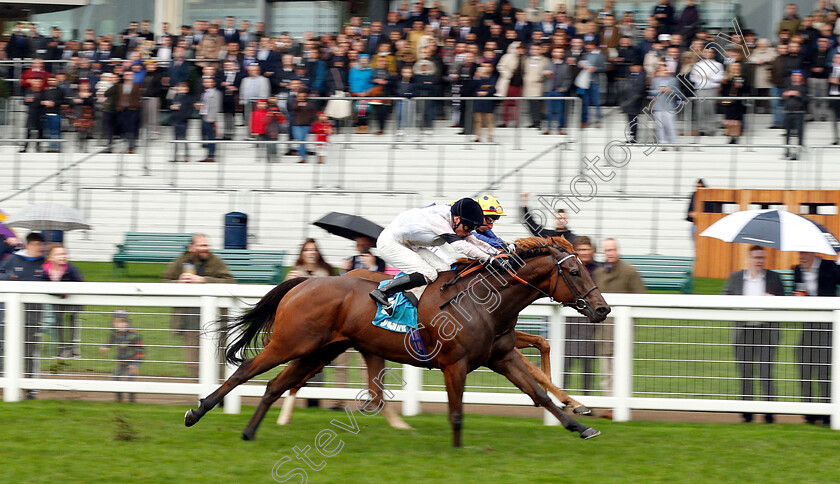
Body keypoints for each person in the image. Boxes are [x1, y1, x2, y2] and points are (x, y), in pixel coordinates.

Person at [370, 198, 505, 315]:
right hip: (390, 242)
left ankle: (419, 300)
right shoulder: (439, 220)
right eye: (467, 228)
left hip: (410, 243)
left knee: (444, 269)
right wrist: (489, 259)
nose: (468, 232)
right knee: (429, 273)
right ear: (457, 219)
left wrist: (497, 253)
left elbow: (472, 240)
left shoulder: (456, 220)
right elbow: (461, 246)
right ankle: (383, 292)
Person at [722, 245, 785, 424]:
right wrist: (737, 304)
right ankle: (747, 412)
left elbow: (785, 302)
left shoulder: (774, 278)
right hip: (743, 331)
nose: (759, 261)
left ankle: (769, 412)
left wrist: (773, 300)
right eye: (756, 257)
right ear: (749, 259)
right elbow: (723, 297)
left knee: (766, 371)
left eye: (762, 258)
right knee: (745, 372)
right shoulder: (736, 277)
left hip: (766, 330)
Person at [162, 234, 234, 378]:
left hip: (216, 322)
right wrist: (178, 282)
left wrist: (203, 280)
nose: (206, 248)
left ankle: (218, 395)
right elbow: (164, 281)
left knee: (218, 361)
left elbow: (230, 281)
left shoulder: (216, 262)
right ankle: (203, 396)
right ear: (191, 248)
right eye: (201, 245)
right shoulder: (181, 261)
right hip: (190, 321)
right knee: (193, 363)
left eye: (207, 245)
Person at [593, 238, 646, 402]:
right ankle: (610, 403)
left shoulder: (630, 272)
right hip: (603, 331)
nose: (610, 253)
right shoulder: (598, 274)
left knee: (620, 371)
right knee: (605, 372)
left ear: (618, 251)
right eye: (607, 250)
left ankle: (620, 404)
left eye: (612, 249)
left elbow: (641, 299)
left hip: (622, 331)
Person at [793, 251, 838, 425]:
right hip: (808, 324)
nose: (801, 257)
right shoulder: (798, 269)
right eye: (799, 253)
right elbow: (796, 293)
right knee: (803, 362)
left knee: (823, 368)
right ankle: (809, 410)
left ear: (812, 252)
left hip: (827, 324)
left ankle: (827, 412)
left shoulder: (829, 267)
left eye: (804, 253)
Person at [0, 232, 46, 399]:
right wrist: (9, 278)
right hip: (10, 313)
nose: (39, 247)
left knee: (30, 350)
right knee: (3, 346)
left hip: (34, 313)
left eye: (41, 245)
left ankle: (31, 387)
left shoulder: (45, 263)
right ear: (28, 245)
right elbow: (1, 274)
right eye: (36, 244)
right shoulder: (14, 260)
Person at [564, 236, 602, 393]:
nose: (584, 253)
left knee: (587, 365)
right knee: (565, 363)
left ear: (592, 251)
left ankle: (587, 397)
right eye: (580, 250)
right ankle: (562, 398)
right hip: (571, 322)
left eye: (586, 249)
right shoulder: (570, 269)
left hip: (589, 322)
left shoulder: (599, 270)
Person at [40, 243, 84, 359]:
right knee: (58, 322)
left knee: (73, 321)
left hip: (73, 299)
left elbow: (80, 282)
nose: (63, 256)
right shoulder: (45, 270)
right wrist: (55, 286)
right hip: (57, 300)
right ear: (50, 257)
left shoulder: (71, 269)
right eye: (59, 254)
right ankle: (62, 348)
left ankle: (73, 350)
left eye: (64, 253)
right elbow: (41, 285)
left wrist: (66, 288)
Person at [99, 310, 144, 403]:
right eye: (117, 322)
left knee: (130, 381)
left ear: (127, 323)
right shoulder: (115, 333)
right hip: (121, 362)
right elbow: (110, 342)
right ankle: (119, 400)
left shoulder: (133, 335)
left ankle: (132, 401)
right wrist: (105, 347)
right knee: (116, 377)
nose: (120, 325)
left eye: (123, 322)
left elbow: (141, 350)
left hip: (132, 362)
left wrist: (136, 364)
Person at [783, 70, 808, 160]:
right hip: (788, 112)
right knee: (787, 133)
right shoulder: (788, 86)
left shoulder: (804, 87)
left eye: (798, 75)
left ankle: (799, 151)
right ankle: (787, 151)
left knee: (799, 133)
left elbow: (806, 99)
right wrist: (787, 94)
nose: (796, 77)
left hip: (799, 112)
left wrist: (796, 94)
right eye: (794, 75)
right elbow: (783, 96)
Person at [196, 76, 222, 162]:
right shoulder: (204, 93)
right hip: (204, 115)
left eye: (209, 82)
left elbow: (216, 106)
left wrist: (212, 117)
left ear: (213, 83)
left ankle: (211, 155)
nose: (207, 83)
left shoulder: (216, 93)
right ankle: (209, 155)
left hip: (210, 117)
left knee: (211, 137)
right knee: (207, 136)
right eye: (206, 82)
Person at [169, 82, 193, 162]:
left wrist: (185, 116)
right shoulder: (174, 97)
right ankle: (175, 156)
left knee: (184, 139)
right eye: (180, 88)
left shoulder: (189, 98)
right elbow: (169, 105)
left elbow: (190, 110)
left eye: (183, 88)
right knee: (175, 139)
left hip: (183, 120)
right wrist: (172, 108)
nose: (182, 90)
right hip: (175, 119)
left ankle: (186, 156)